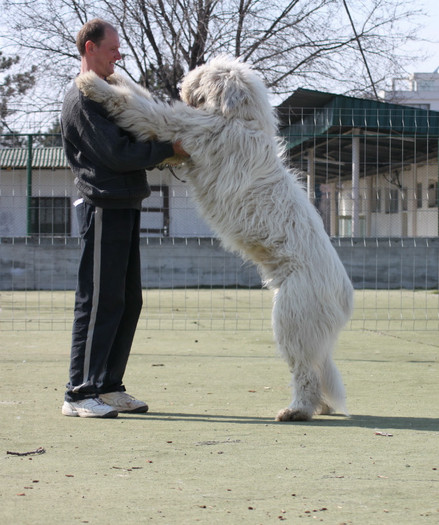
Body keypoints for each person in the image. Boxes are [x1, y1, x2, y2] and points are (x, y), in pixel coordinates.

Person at [60, 18, 188, 418]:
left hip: (126, 204)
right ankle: (78, 393)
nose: (119, 54)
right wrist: (170, 148)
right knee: (98, 302)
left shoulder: (109, 94)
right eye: (112, 48)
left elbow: (133, 140)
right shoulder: (82, 99)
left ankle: (109, 385)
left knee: (127, 300)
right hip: (102, 207)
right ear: (90, 49)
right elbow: (117, 154)